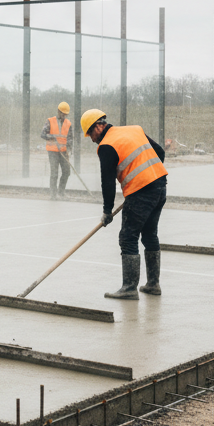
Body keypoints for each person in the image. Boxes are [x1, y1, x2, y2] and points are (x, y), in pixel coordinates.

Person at [81, 109, 167, 300]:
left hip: (142, 191)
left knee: (128, 237)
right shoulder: (134, 130)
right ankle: (153, 284)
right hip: (160, 185)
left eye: (91, 134)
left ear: (98, 126)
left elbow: (108, 182)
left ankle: (129, 288)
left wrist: (107, 211)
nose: (92, 139)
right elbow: (159, 152)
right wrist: (150, 176)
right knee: (150, 234)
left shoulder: (106, 146)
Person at [41, 102, 72, 200]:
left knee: (67, 171)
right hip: (52, 151)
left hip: (63, 152)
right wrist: (51, 137)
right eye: (62, 113)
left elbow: (70, 138)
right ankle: (53, 195)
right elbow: (43, 134)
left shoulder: (68, 123)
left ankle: (61, 192)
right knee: (54, 173)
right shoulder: (50, 121)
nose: (64, 115)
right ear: (58, 111)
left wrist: (69, 150)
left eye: (65, 114)